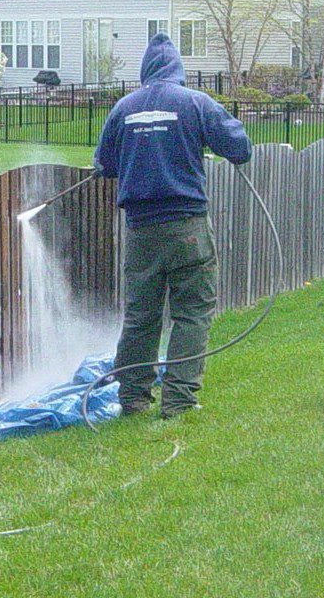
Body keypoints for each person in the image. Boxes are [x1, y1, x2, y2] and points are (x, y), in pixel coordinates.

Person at [93, 32, 252, 418]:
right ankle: (179, 402)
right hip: (188, 229)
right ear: (178, 69)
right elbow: (240, 148)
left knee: (141, 316)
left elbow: (104, 165)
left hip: (141, 231)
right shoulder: (195, 103)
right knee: (192, 314)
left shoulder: (123, 109)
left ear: (145, 69)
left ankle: (133, 398)